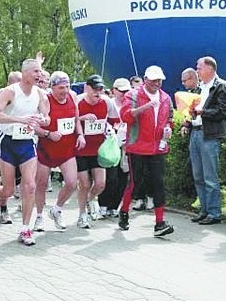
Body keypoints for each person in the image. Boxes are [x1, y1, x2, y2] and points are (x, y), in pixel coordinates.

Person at [0, 58, 49, 246]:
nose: (39, 75)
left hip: (27, 143)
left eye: (40, 72)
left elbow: (47, 116)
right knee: (8, 189)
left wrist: (43, 120)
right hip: (7, 142)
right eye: (36, 72)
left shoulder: (40, 94)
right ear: (25, 73)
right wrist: (21, 120)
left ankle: (25, 229)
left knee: (30, 186)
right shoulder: (11, 91)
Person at [118, 66, 175, 236]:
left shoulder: (165, 98)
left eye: (160, 80)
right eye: (154, 80)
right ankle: (124, 211)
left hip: (158, 148)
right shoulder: (133, 95)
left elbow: (169, 118)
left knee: (158, 183)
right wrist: (146, 106)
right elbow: (126, 116)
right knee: (135, 183)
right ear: (145, 79)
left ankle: (159, 223)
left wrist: (168, 129)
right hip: (137, 147)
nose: (158, 83)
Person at [33, 71, 85, 231]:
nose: (65, 91)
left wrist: (81, 135)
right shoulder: (45, 101)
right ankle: (39, 216)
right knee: (41, 184)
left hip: (67, 149)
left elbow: (76, 119)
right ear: (52, 87)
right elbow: (33, 126)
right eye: (61, 88)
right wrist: (48, 133)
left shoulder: (73, 97)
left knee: (71, 182)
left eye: (67, 87)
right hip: (46, 149)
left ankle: (56, 210)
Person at [188, 56, 226, 225]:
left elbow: (223, 112)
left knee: (210, 176)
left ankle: (214, 212)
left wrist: (202, 112)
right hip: (196, 132)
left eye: (199, 68)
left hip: (210, 135)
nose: (197, 70)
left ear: (210, 69)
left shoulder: (223, 87)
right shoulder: (200, 87)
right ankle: (204, 209)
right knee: (198, 175)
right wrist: (189, 119)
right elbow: (195, 110)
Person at [75, 74, 120, 228]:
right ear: (87, 88)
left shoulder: (107, 102)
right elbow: (68, 120)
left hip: (99, 149)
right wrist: (82, 118)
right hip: (80, 149)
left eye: (100, 89)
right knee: (84, 183)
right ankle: (82, 215)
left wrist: (111, 130)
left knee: (100, 184)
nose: (97, 92)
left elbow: (115, 121)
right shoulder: (78, 101)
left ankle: (91, 199)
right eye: (94, 89)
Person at [98, 78, 130, 217]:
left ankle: (114, 206)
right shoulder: (109, 104)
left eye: (126, 91)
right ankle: (103, 204)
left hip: (126, 145)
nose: (124, 94)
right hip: (111, 144)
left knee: (123, 176)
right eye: (121, 91)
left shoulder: (131, 105)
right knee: (111, 177)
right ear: (114, 91)